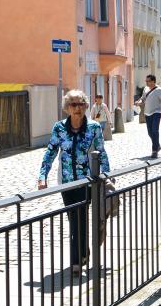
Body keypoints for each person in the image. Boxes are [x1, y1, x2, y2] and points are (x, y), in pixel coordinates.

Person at [38, 89, 111, 274]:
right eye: (73, 104)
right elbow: (51, 151)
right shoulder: (59, 128)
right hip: (66, 182)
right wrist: (42, 175)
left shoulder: (94, 127)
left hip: (87, 181)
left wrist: (107, 175)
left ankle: (76, 261)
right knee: (74, 219)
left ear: (86, 106)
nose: (77, 108)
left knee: (80, 217)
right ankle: (84, 251)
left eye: (80, 104)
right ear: (67, 108)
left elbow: (101, 152)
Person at [135, 75, 161, 158]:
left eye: (148, 81)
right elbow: (143, 98)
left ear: (153, 81)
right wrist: (139, 102)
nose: (146, 82)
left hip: (156, 112)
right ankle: (157, 144)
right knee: (150, 132)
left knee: (155, 130)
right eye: (146, 81)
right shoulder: (146, 89)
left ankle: (154, 151)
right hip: (147, 113)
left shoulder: (159, 90)